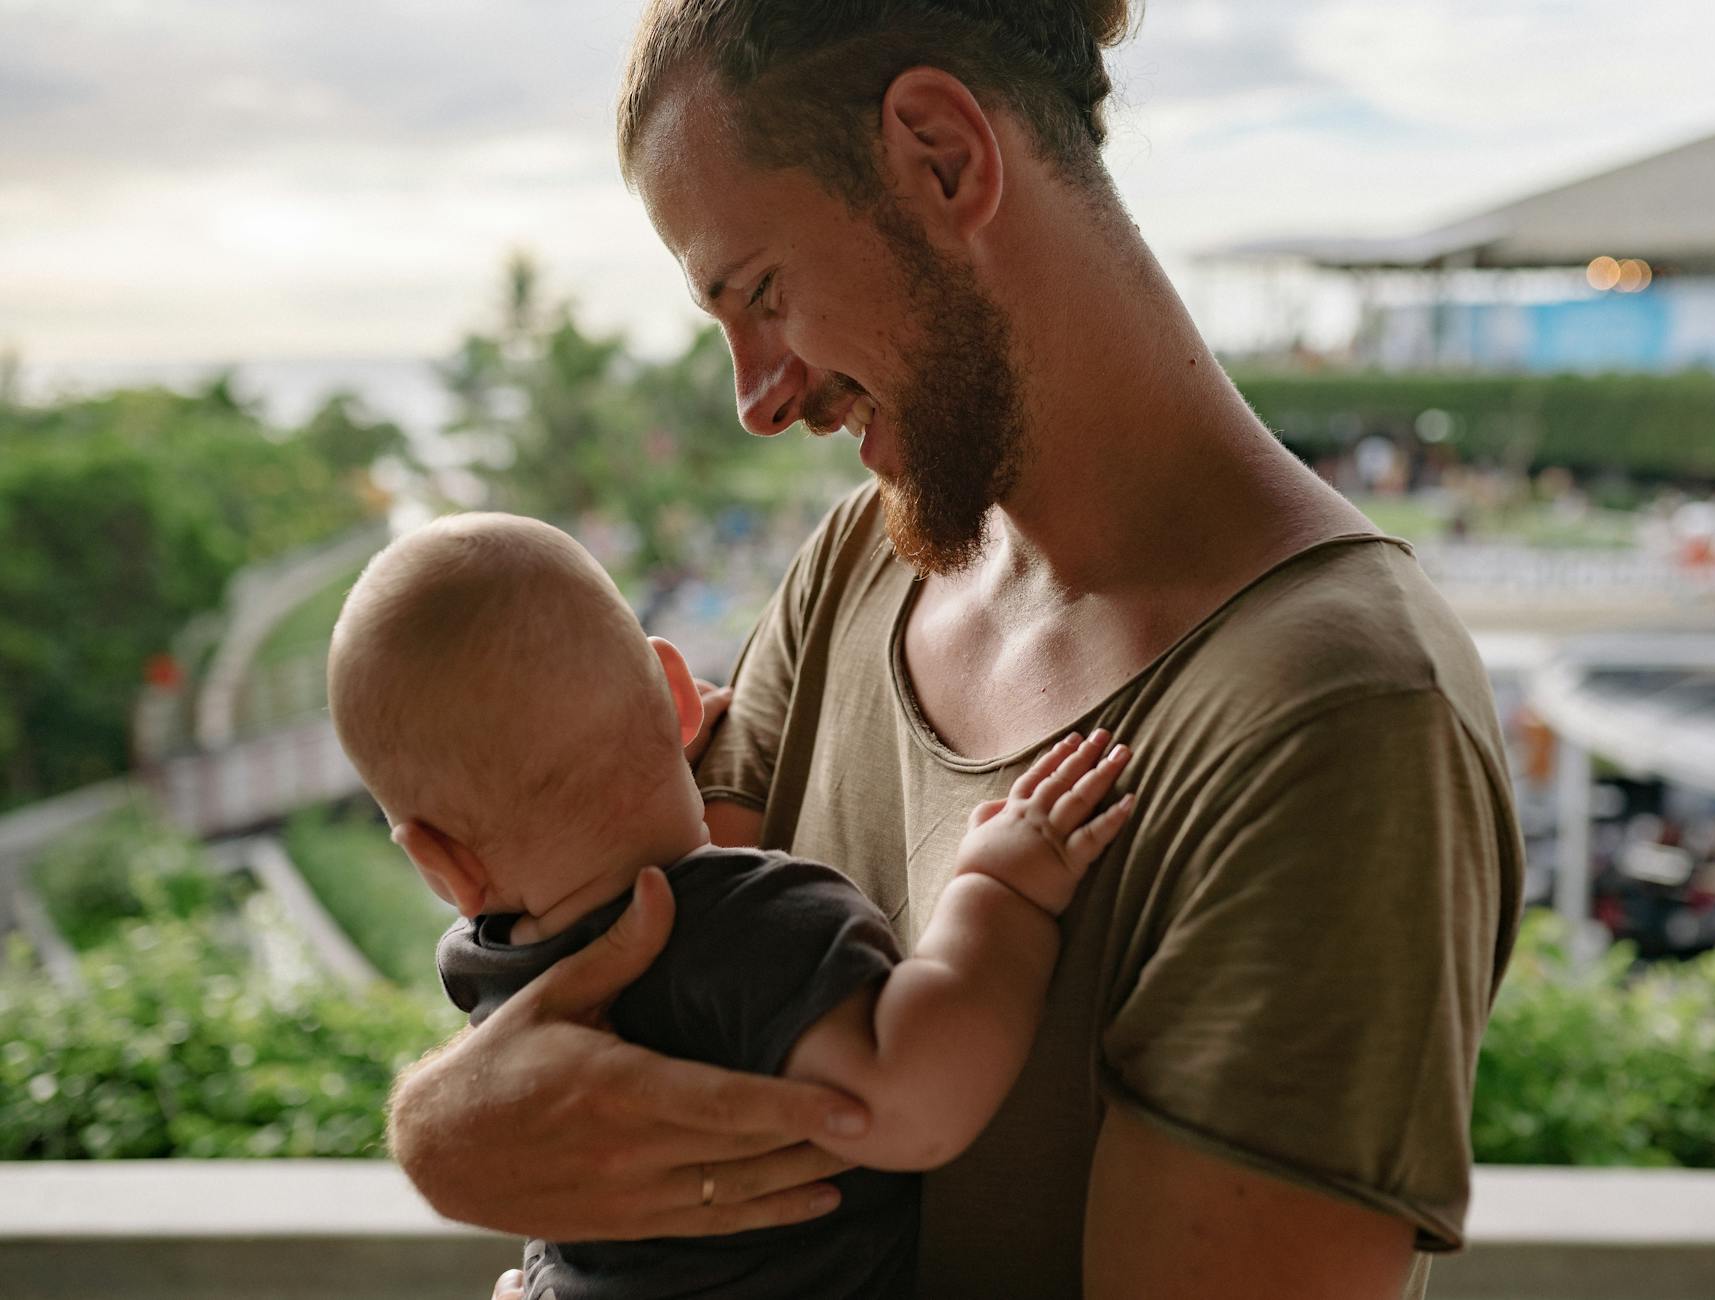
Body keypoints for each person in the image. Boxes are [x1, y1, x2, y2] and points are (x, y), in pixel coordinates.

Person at [388, 4, 1528, 1297]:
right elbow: (622, 960)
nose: (759, 399)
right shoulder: (858, 568)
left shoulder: (1336, 714)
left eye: (761, 293)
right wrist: (441, 1134)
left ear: (941, 156)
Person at [328, 512, 1136, 1299]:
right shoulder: (757, 924)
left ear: (439, 862)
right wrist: (1001, 892)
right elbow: (913, 1109)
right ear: (681, 695)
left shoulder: (488, 972)